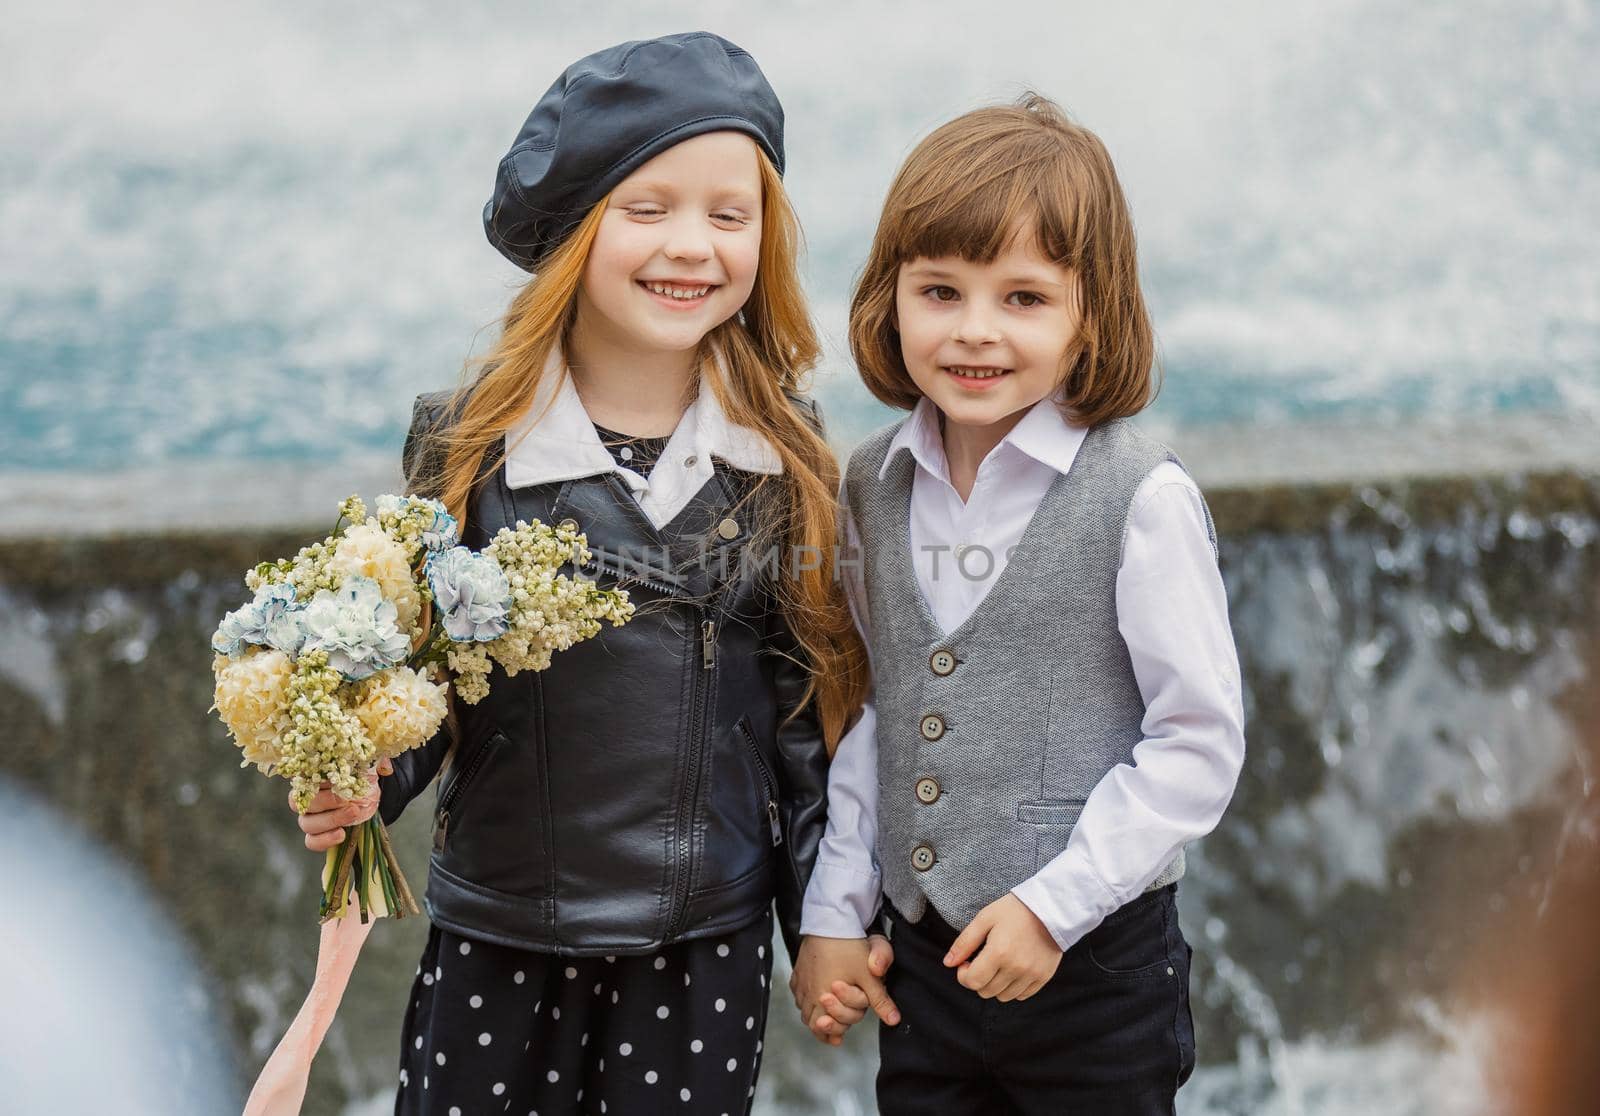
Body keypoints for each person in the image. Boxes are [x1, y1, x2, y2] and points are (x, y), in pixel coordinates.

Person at [289, 32, 868, 1115]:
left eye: (727, 215)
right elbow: (423, 676)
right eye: (646, 208)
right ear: (573, 228)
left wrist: (826, 923)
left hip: (700, 952)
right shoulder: (472, 444)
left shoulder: (783, 456)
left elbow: (800, 722)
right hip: (499, 931)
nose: (690, 245)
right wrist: (362, 776)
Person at [790, 93, 1247, 1115]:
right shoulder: (872, 484)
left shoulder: (1140, 498)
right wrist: (833, 913)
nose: (975, 332)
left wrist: (1053, 908)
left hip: (1092, 974)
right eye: (940, 291)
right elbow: (880, 712)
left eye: (1025, 299)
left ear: (1091, 315)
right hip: (923, 969)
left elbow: (1196, 745)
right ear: (889, 299)